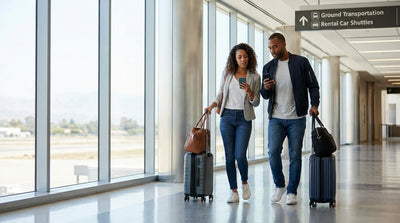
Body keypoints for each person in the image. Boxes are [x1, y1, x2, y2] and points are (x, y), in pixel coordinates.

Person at [261, 33, 320, 205]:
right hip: (276, 118)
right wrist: (265, 88)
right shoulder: (268, 67)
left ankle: (292, 191)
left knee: (295, 155)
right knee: (273, 152)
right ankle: (280, 185)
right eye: (270, 48)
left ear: (284, 44)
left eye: (275, 46)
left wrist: (314, 104)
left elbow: (313, 85)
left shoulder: (301, 62)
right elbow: (265, 95)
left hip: (297, 117)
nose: (272, 50)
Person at [204, 43, 261, 203]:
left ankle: (244, 182)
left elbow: (256, 102)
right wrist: (212, 105)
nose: (243, 59)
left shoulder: (255, 77)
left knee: (240, 155)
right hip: (227, 117)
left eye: (245, 56)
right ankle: (234, 191)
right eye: (239, 57)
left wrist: (250, 92)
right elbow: (220, 94)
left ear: (249, 57)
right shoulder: (227, 74)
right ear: (234, 59)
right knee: (229, 158)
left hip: (244, 118)